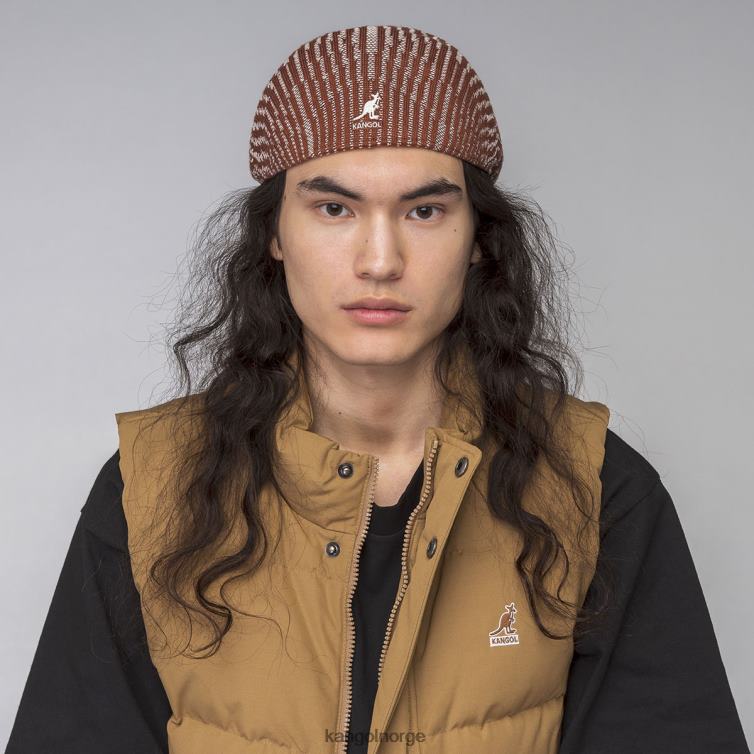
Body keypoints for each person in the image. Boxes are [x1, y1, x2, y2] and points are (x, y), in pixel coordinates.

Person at [6, 24, 749, 754]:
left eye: (425, 211)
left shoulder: (592, 486)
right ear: (275, 235)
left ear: (479, 239)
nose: (380, 260)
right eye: (335, 208)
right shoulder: (152, 487)